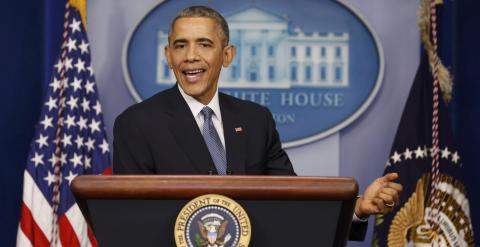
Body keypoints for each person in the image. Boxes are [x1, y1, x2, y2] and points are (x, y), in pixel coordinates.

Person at [113, 5, 402, 241]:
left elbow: (291, 202)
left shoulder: (255, 120)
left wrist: (358, 208)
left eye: (204, 44)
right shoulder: (136, 123)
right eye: (180, 45)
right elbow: (131, 222)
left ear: (227, 55)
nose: (190, 56)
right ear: (168, 56)